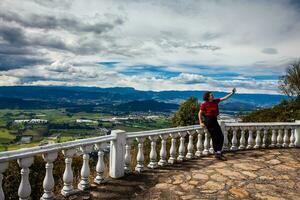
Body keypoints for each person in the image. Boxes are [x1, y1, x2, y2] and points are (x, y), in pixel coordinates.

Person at [198, 88, 236, 160]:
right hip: (209, 121)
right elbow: (199, 113)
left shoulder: (215, 101)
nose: (213, 96)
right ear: (208, 97)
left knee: (220, 136)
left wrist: (232, 93)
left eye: (212, 95)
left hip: (214, 120)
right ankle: (218, 153)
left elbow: (224, 98)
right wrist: (200, 122)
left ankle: (217, 152)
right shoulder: (204, 104)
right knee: (216, 137)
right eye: (211, 95)